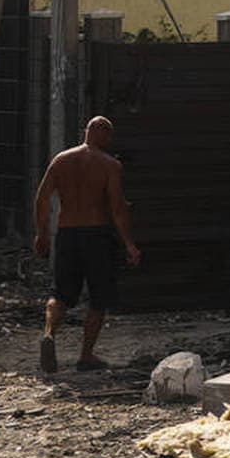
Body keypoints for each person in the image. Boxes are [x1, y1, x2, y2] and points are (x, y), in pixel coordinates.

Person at [33, 115, 141, 372]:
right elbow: (117, 208)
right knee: (98, 298)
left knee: (61, 293)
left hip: (67, 233)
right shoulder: (109, 165)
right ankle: (86, 356)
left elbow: (42, 198)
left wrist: (42, 234)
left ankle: (49, 333)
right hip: (97, 235)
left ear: (86, 132)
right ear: (104, 135)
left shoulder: (61, 160)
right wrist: (129, 244)